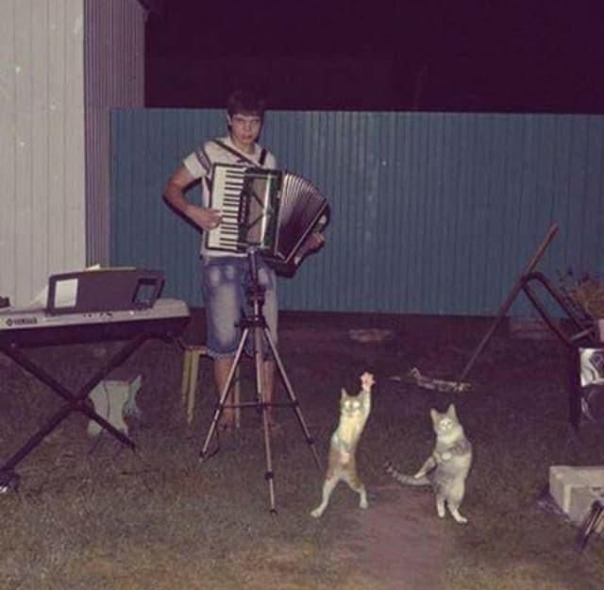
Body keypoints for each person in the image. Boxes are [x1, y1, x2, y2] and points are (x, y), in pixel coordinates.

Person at [163, 89, 323, 431]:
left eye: (254, 122)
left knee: (267, 338)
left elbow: (273, 220)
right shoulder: (210, 152)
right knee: (223, 337)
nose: (247, 129)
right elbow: (172, 187)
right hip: (220, 259)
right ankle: (227, 413)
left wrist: (303, 241)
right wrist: (193, 211)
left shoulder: (268, 160)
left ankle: (267, 414)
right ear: (228, 120)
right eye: (240, 121)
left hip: (258, 260)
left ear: (262, 124)